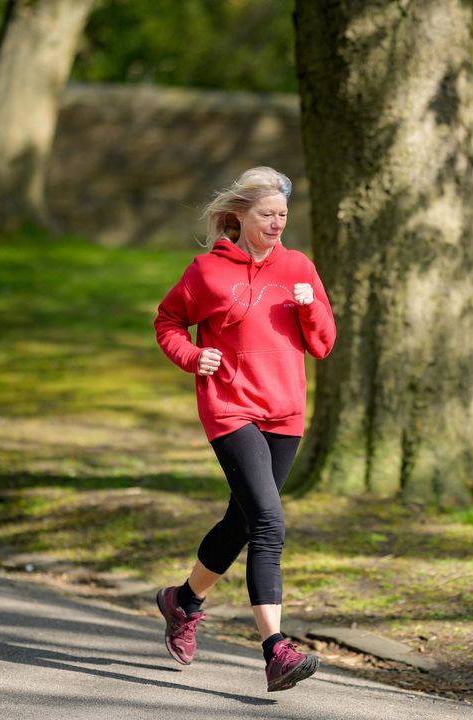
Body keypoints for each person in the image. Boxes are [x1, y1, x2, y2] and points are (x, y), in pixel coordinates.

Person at [152, 167, 336, 692]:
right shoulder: (208, 272)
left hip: (285, 412)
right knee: (269, 523)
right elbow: (167, 320)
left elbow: (323, 344)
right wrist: (191, 355)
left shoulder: (299, 267)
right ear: (239, 216)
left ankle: (183, 601)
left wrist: (310, 306)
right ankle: (276, 648)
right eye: (266, 214)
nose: (277, 223)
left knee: (242, 520)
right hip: (230, 408)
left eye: (282, 214)